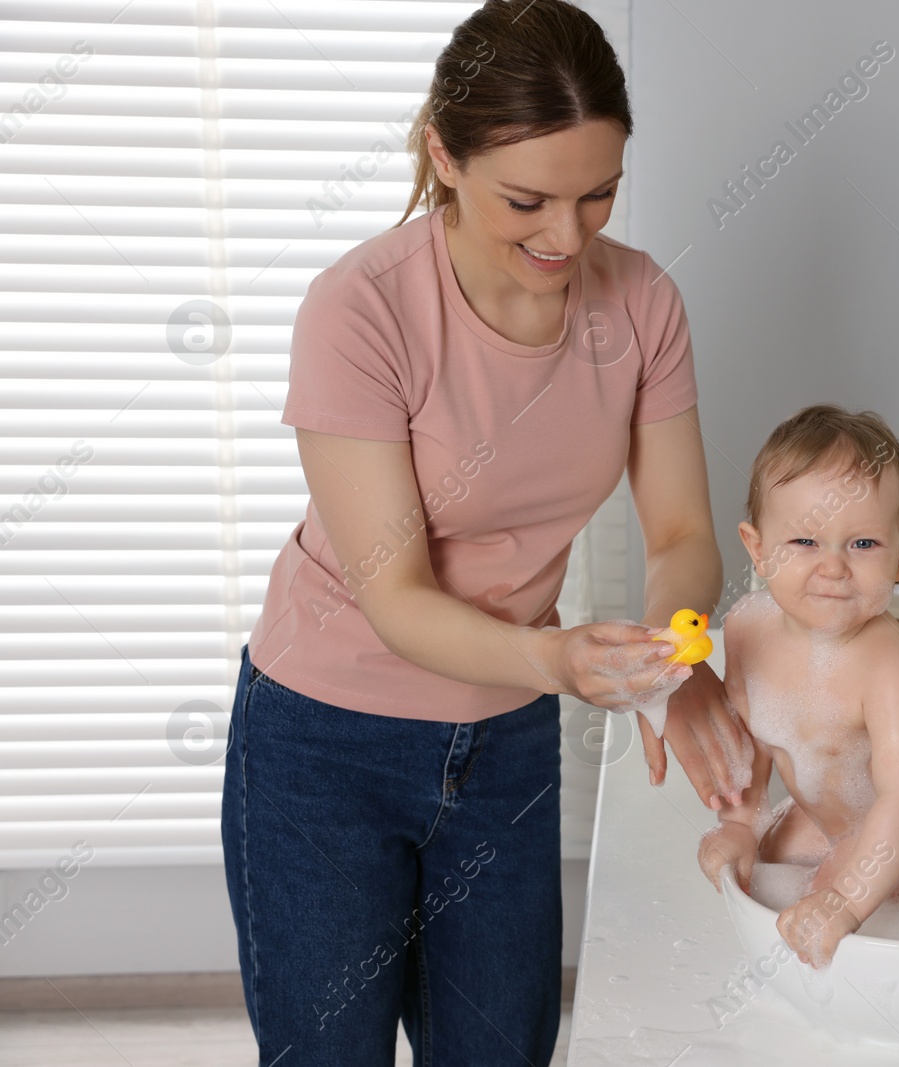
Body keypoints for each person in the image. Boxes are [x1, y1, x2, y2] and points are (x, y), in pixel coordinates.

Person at [221, 3, 750, 1063]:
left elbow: (685, 530)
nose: (567, 235)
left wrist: (669, 652)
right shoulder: (360, 310)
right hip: (326, 742)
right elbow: (396, 593)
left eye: (597, 193)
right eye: (527, 201)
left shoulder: (641, 303)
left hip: (505, 742)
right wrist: (555, 657)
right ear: (443, 158)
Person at [696, 404, 899, 969]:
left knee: (834, 891)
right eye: (804, 542)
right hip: (842, 815)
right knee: (770, 864)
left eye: (863, 545)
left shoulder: (888, 664)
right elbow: (752, 742)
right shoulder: (748, 629)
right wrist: (741, 823)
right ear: (756, 548)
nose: (833, 567)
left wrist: (844, 902)